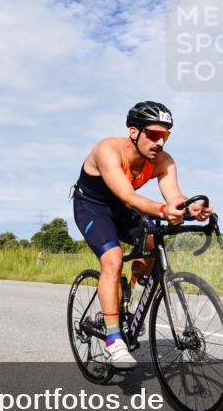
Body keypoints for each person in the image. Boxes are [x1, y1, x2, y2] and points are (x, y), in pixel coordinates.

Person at [71, 101, 212, 368]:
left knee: (152, 240)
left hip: (122, 208)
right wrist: (164, 211)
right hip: (92, 207)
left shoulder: (163, 160)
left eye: (165, 136)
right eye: (154, 134)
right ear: (134, 132)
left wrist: (190, 208)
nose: (160, 142)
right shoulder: (108, 150)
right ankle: (114, 341)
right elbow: (129, 196)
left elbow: (174, 197)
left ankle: (132, 302)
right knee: (112, 260)